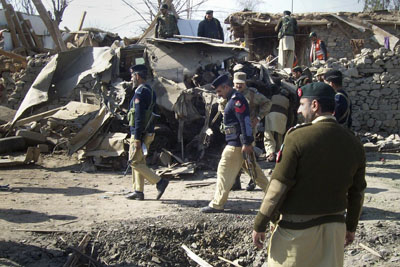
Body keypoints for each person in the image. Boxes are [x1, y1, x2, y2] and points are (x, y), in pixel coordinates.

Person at [252, 82, 366, 267]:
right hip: (335, 230)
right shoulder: (354, 142)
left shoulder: (297, 137)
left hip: (297, 233)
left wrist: (260, 223)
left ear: (315, 105)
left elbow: (278, 187)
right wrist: (350, 227)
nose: (298, 110)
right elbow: (358, 193)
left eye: (302, 104)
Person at [200, 74, 270, 213]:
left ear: (226, 87)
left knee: (223, 171)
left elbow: (244, 122)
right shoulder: (231, 100)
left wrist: (247, 142)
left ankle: (217, 204)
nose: (218, 94)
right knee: (255, 173)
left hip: (236, 145)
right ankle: (276, 195)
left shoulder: (237, 100)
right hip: (239, 144)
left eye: (219, 91)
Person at [125, 64, 169, 200]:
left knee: (134, 162)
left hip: (140, 133)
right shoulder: (149, 90)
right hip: (148, 132)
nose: (131, 78)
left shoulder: (140, 93)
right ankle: (138, 191)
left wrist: (137, 137)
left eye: (132, 76)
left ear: (137, 76)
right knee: (140, 162)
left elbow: (138, 117)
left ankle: (159, 182)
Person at [231, 71, 271, 191]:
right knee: (235, 155)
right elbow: (222, 106)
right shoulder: (230, 94)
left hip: (248, 130)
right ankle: (236, 181)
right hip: (234, 130)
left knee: (249, 156)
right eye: (236, 84)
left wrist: (258, 118)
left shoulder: (253, 94)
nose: (238, 86)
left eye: (241, 84)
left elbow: (267, 103)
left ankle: (253, 180)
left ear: (245, 83)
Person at [264, 84, 290, 162]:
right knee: (279, 136)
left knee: (269, 135)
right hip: (282, 116)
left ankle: (270, 153)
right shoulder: (287, 101)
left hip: (271, 114)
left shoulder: (273, 97)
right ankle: (279, 153)